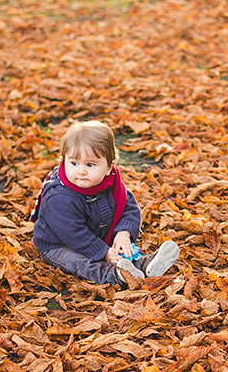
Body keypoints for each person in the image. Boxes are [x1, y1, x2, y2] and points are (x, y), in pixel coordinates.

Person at [31, 120, 179, 285]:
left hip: (99, 236)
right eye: (74, 163)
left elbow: (128, 207)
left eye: (90, 164)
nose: (81, 171)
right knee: (78, 262)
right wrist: (105, 252)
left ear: (109, 167)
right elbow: (74, 234)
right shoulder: (59, 196)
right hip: (58, 244)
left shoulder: (111, 183)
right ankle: (114, 275)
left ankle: (144, 264)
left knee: (123, 248)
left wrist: (123, 233)